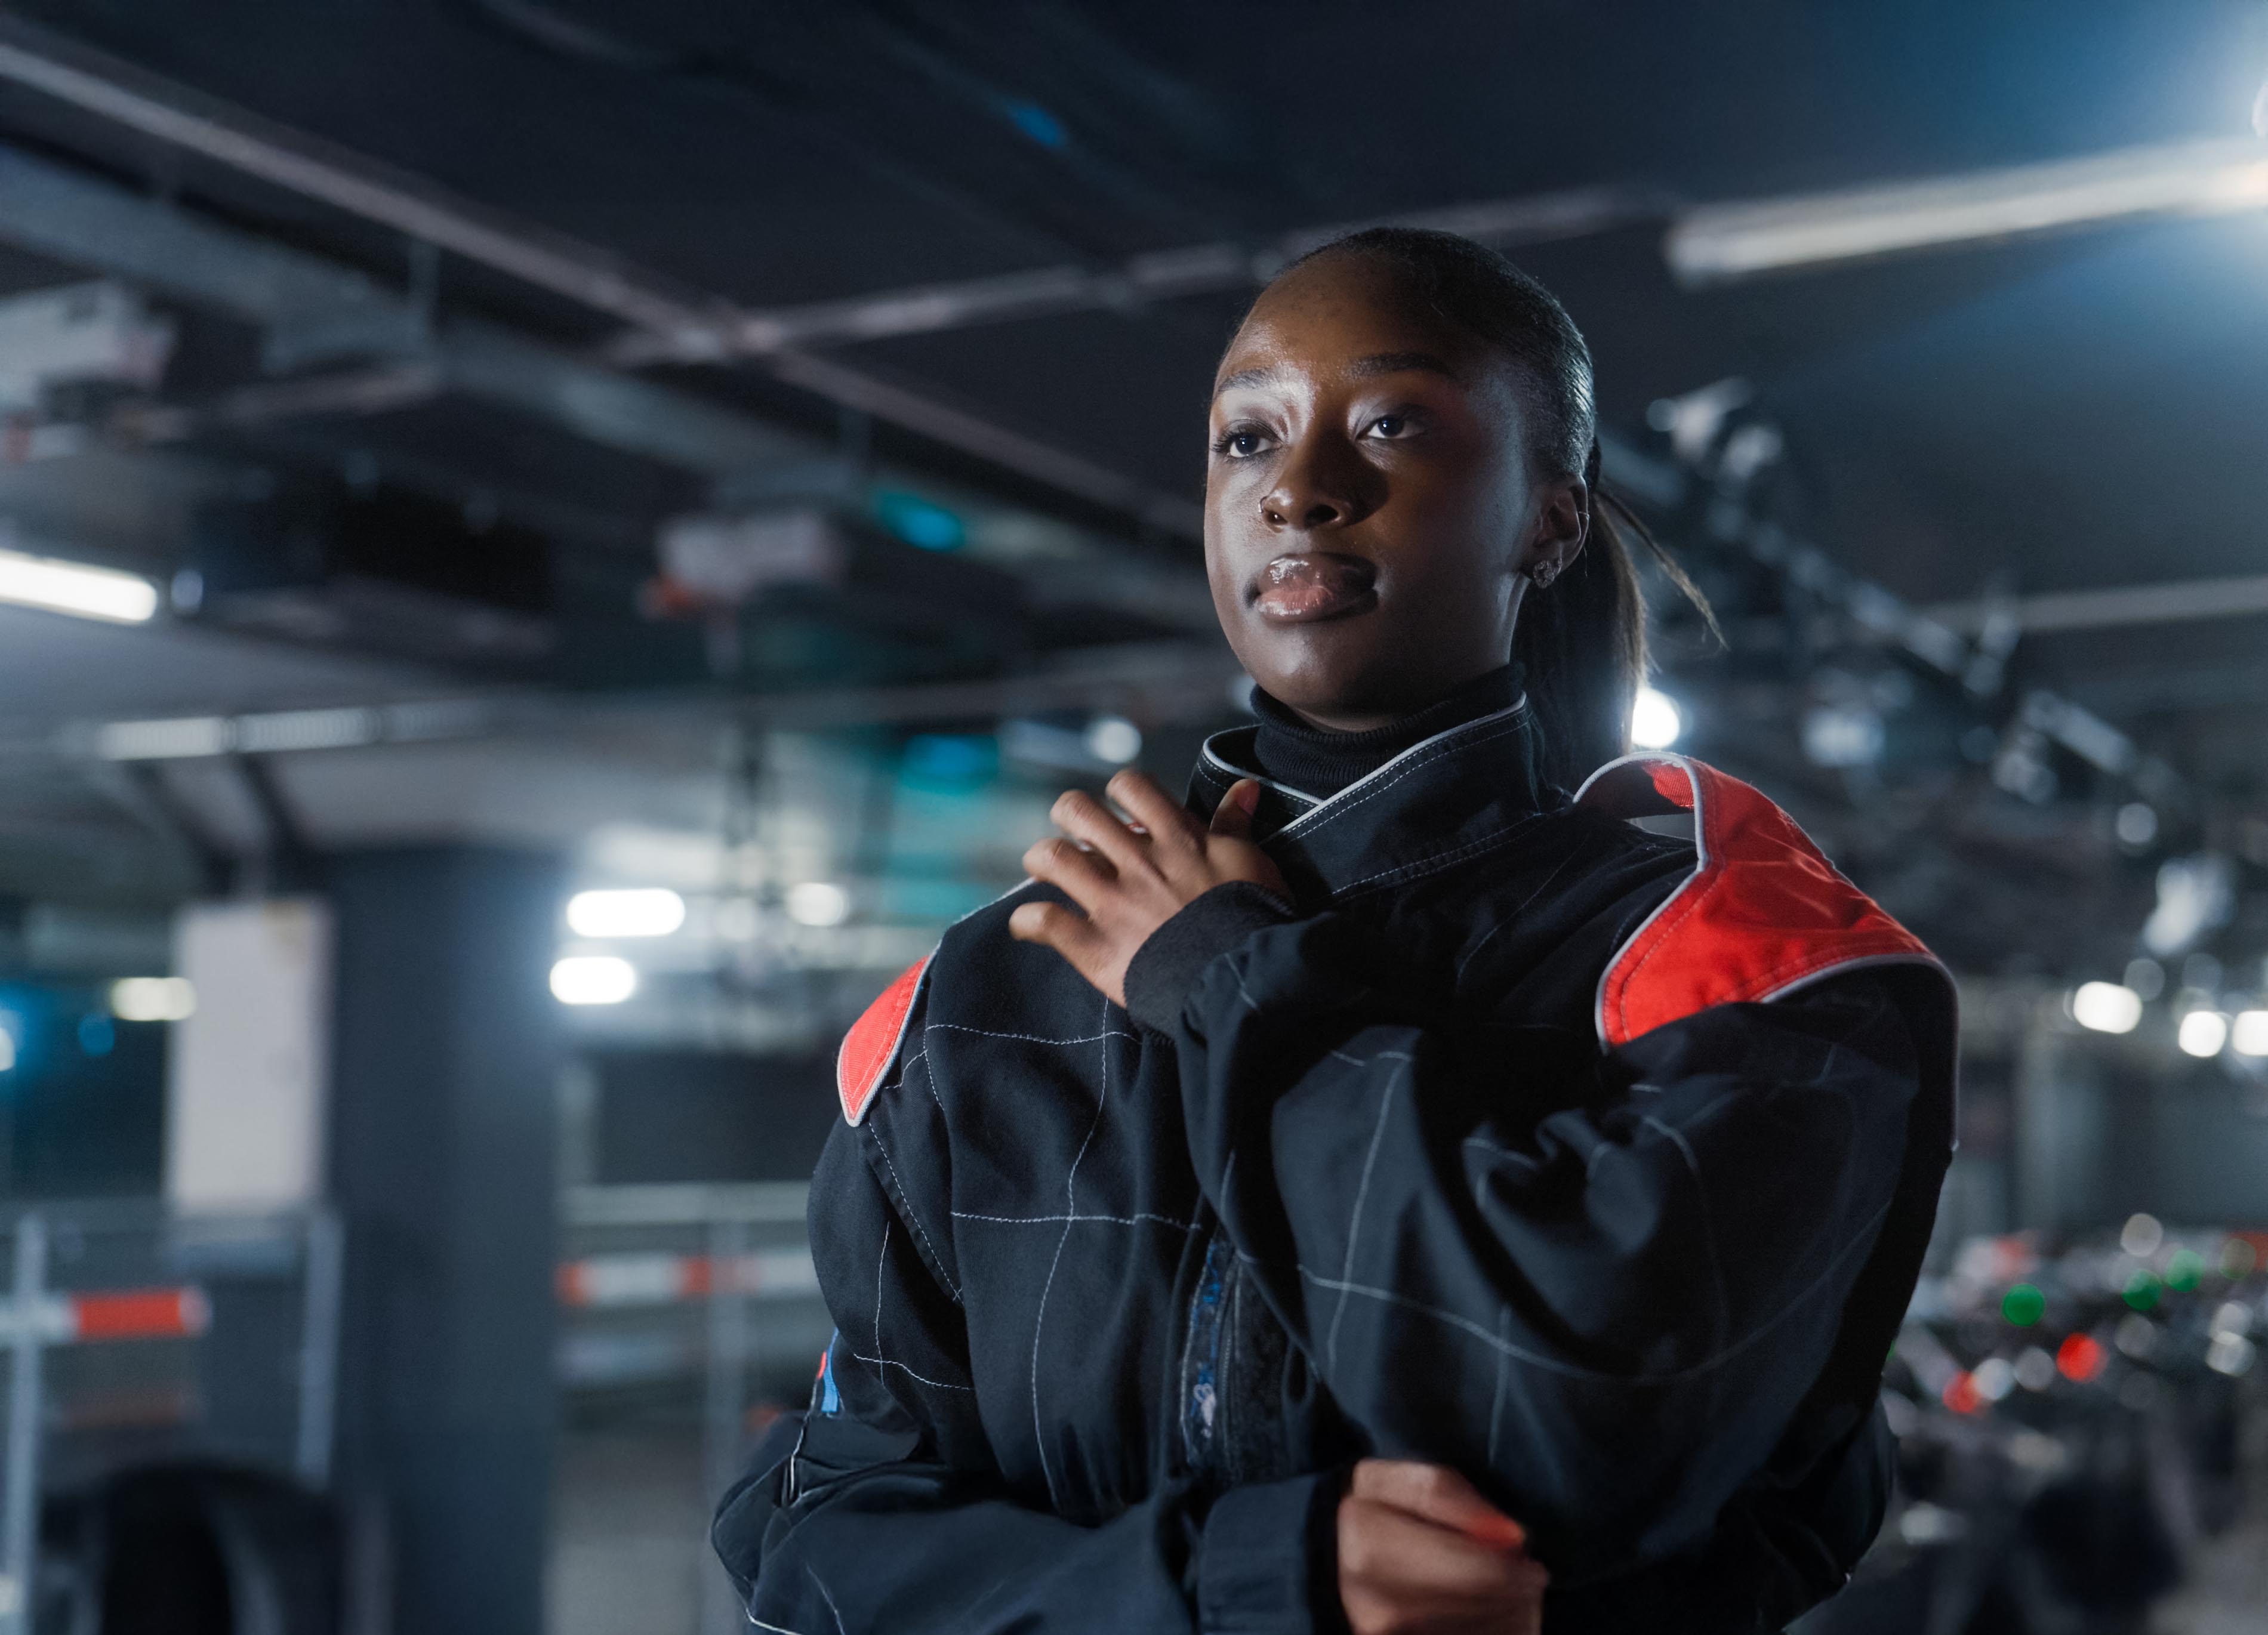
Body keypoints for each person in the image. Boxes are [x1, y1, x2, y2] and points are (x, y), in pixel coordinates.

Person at [713, 228, 1956, 1634]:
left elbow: (1585, 1421)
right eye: (1247, 438)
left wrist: (1229, 976)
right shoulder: (986, 998)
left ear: (1549, 516)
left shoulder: (1738, 963)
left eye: (1390, 425)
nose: (1300, 490)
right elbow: (823, 1535)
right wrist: (1233, 1581)